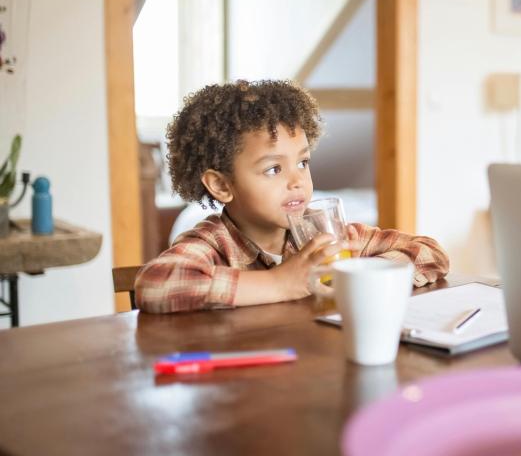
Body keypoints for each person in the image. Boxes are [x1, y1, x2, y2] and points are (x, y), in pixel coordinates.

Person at [135, 80, 449, 313]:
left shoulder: (324, 238)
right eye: (273, 169)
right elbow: (155, 284)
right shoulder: (212, 244)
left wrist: (361, 275)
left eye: (302, 162)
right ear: (221, 185)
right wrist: (281, 283)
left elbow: (430, 253)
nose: (297, 180)